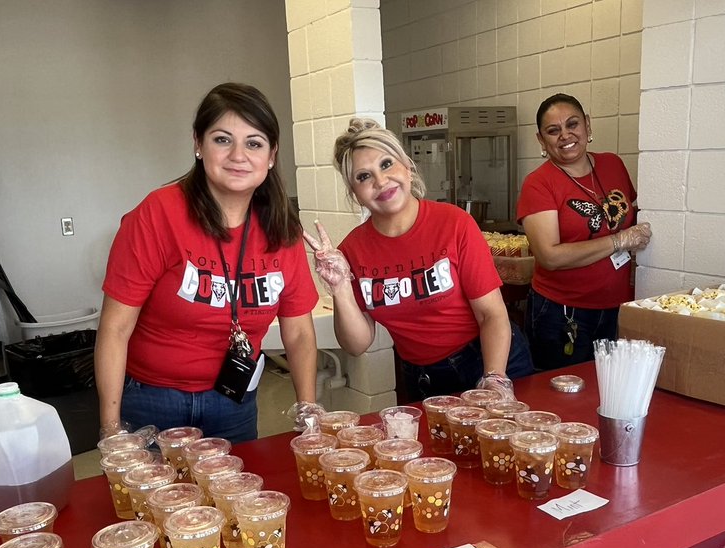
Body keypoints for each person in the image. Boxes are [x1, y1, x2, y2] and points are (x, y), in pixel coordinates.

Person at [96, 82, 320, 443]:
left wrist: (308, 411)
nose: (238, 155)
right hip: (154, 400)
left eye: (254, 143)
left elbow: (298, 332)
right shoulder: (158, 214)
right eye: (222, 139)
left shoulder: (282, 228)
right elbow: (115, 328)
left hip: (234, 400)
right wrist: (111, 431)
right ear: (198, 144)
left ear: (271, 155)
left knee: (238, 483)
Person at [306, 118, 534, 401]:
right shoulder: (353, 250)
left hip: (490, 361)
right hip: (422, 378)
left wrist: (495, 379)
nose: (380, 181)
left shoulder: (454, 224)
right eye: (363, 176)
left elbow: (492, 314)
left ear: (407, 166)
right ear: (355, 194)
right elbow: (357, 344)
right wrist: (340, 288)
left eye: (386, 164)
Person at [517, 93, 652, 370]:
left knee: (609, 385)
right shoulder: (539, 184)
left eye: (572, 124)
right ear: (541, 140)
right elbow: (549, 257)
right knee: (563, 390)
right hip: (562, 314)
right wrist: (618, 241)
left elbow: (630, 212)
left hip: (616, 306)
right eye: (553, 130)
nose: (565, 135)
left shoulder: (613, 164)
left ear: (587, 125)